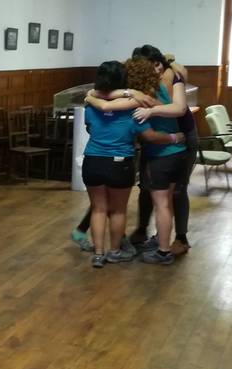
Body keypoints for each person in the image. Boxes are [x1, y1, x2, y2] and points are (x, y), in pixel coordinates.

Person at [82, 61, 183, 267]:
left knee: (98, 209)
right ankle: (115, 252)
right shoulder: (133, 107)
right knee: (118, 211)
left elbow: (90, 128)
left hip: (92, 160)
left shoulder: (90, 105)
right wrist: (175, 137)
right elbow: (149, 135)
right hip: (120, 163)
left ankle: (98, 254)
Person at [128, 46, 197, 257]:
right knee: (149, 189)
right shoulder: (145, 80)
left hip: (181, 138)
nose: (155, 70)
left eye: (157, 64)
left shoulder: (172, 74)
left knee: (175, 192)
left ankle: (180, 238)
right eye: (149, 66)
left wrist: (151, 108)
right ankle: (149, 232)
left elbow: (179, 108)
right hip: (160, 142)